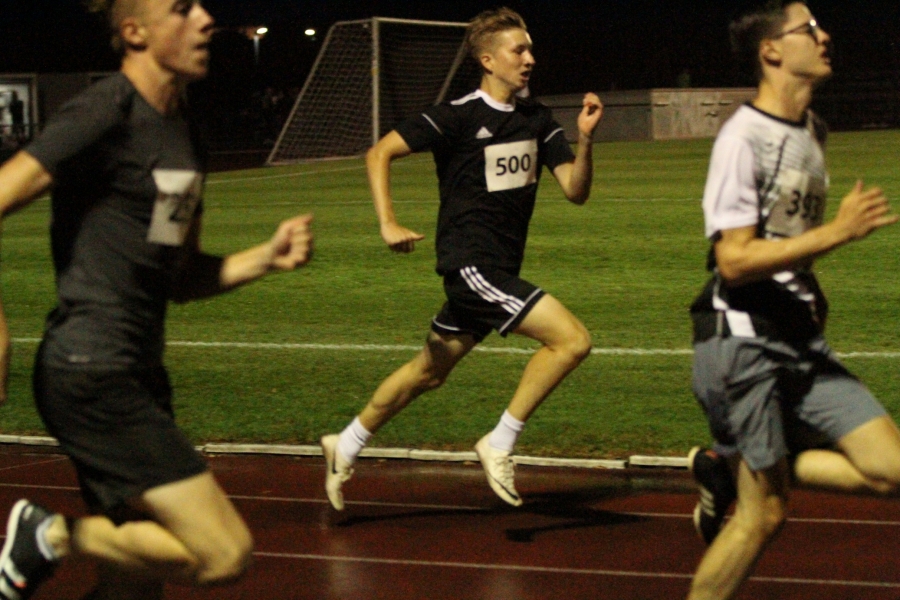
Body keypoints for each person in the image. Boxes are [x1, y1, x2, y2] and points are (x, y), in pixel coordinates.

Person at [0, 1, 313, 599]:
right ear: (134, 32)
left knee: (132, 591)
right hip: (93, 372)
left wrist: (263, 258)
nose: (204, 19)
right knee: (223, 553)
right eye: (181, 9)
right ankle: (51, 535)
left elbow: (179, 276)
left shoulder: (182, 132)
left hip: (138, 373)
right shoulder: (103, 110)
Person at [320, 7, 602, 510]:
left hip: (496, 271)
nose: (530, 59)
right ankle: (499, 441)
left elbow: (576, 192)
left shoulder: (538, 120)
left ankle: (346, 442)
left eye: (531, 49)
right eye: (519, 50)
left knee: (428, 372)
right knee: (572, 341)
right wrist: (387, 221)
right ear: (488, 60)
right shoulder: (456, 116)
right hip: (470, 268)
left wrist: (585, 139)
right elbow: (378, 152)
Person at [686, 2, 900, 598]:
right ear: (772, 52)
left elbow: (786, 242)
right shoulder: (742, 139)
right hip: (742, 341)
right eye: (808, 28)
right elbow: (733, 258)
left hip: (797, 337)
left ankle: (730, 463)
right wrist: (839, 233)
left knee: (892, 471)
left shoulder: (812, 131)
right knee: (765, 515)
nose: (825, 35)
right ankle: (739, 467)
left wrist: (812, 291)